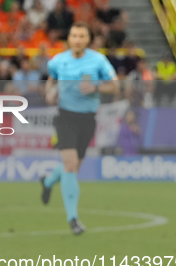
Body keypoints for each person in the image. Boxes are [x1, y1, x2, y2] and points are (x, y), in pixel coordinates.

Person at [40, 22, 118, 235]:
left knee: (72, 168)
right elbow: (51, 80)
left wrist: (96, 87)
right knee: (70, 163)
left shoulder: (98, 61)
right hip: (65, 117)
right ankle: (73, 219)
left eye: (81, 36)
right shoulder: (58, 61)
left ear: (87, 39)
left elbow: (114, 85)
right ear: (69, 38)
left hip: (87, 119)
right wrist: (49, 92)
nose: (77, 39)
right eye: (74, 35)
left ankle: (47, 182)